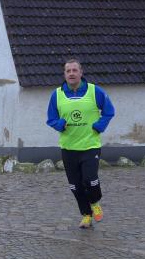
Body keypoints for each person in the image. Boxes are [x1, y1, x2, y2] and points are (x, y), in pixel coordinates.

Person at [46, 58, 115, 229]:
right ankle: (86, 215)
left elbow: (109, 111)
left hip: (90, 145)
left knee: (90, 180)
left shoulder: (94, 91)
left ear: (81, 72)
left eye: (74, 70)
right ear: (64, 74)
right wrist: (59, 124)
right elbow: (51, 119)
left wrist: (100, 126)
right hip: (68, 148)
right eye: (68, 71)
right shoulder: (57, 94)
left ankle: (95, 202)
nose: (71, 73)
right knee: (75, 186)